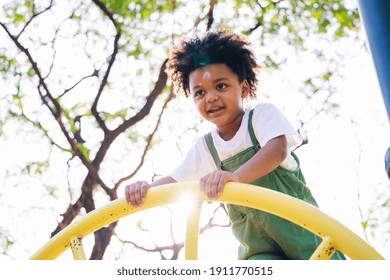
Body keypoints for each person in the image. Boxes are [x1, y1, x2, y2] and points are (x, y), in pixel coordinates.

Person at [125, 30, 345, 260]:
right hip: (259, 249)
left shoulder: (260, 117)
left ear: (243, 89)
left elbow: (277, 150)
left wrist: (236, 177)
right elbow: (175, 181)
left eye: (220, 86)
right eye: (200, 92)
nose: (210, 97)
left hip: (304, 233)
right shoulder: (207, 147)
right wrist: (146, 189)